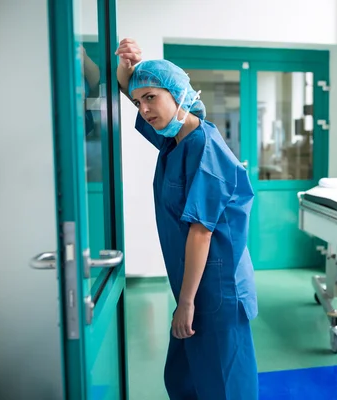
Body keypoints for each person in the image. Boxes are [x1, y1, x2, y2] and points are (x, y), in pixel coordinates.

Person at [115, 38, 259, 400]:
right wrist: (125, 73)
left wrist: (186, 303)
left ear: (179, 94)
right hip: (194, 282)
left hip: (216, 287)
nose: (144, 109)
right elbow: (138, 92)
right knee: (184, 377)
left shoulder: (207, 149)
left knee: (223, 382)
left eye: (151, 98)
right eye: (137, 101)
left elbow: (201, 231)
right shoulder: (174, 138)